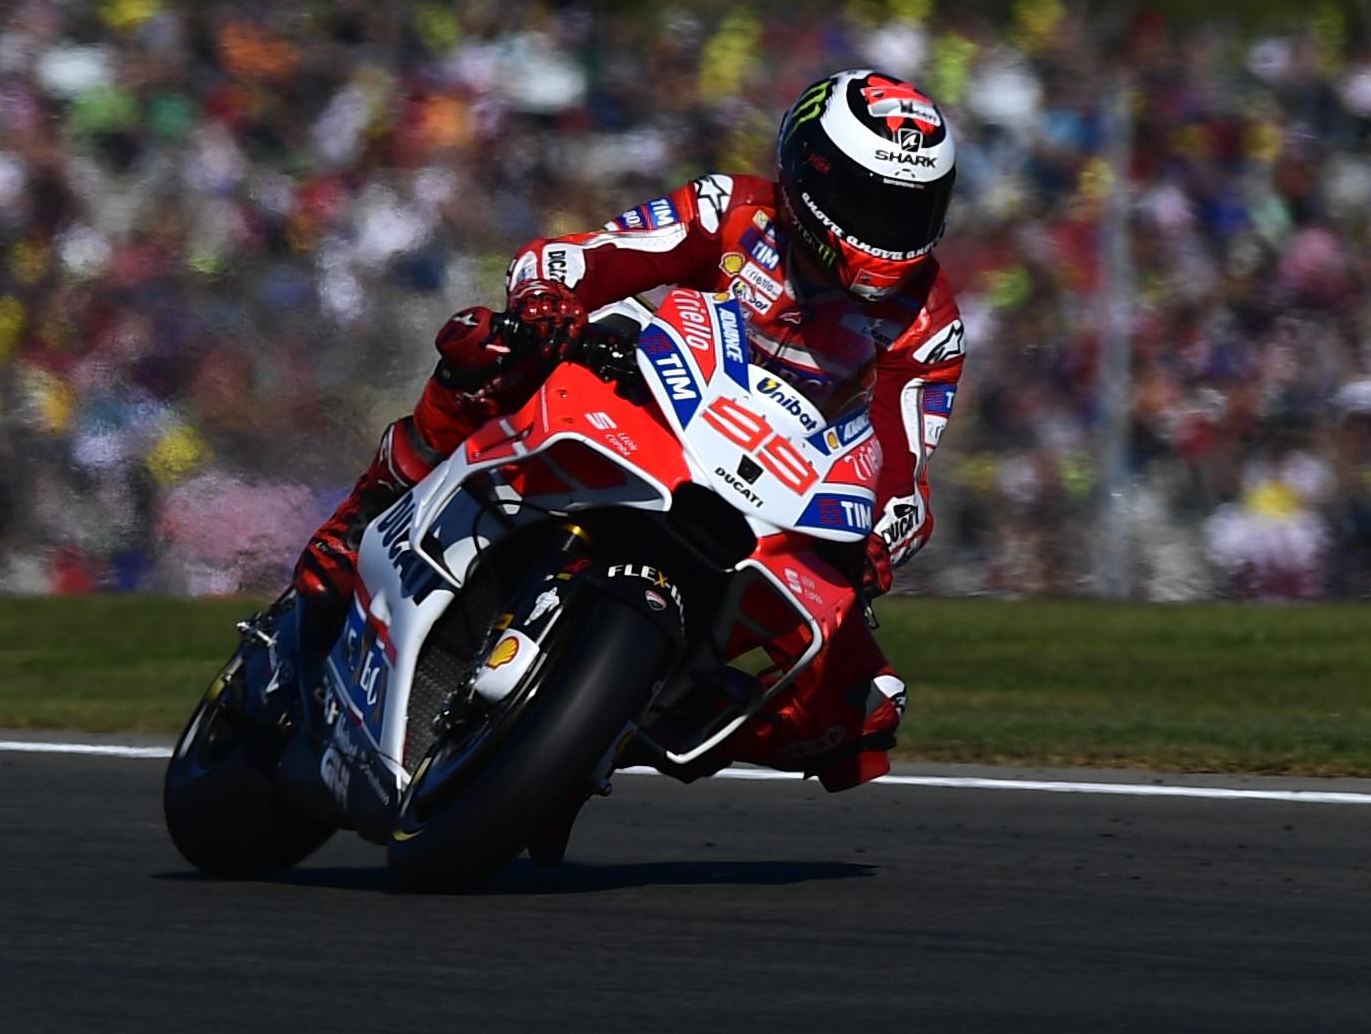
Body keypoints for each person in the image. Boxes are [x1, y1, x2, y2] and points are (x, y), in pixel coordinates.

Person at [291, 68, 965, 813]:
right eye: (869, 201)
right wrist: (550, 301)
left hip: (773, 493)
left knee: (864, 711)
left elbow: (904, 469)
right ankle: (361, 520)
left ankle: (624, 725)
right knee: (492, 349)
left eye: (909, 208)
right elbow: (582, 256)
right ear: (811, 174)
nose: (887, 228)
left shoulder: (928, 324)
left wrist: (884, 535)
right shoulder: (734, 212)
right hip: (650, 397)